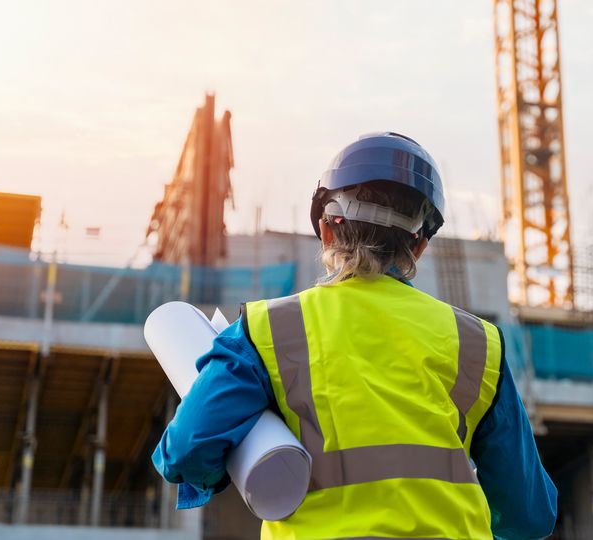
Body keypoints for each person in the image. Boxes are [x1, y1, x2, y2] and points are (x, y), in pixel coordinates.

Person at [152, 132, 558, 539]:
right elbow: (530, 515)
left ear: (327, 232)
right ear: (418, 246)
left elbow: (185, 449)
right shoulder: (479, 345)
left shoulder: (265, 331)